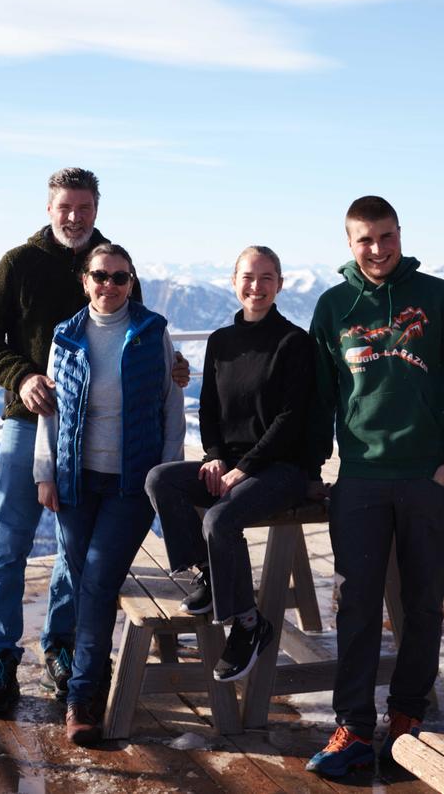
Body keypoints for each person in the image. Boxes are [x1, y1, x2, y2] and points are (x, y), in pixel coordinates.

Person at [0, 168, 188, 715]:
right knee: (11, 542)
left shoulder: (111, 260)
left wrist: (168, 365)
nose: (74, 216)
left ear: (96, 208)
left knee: (75, 549)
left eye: (84, 207)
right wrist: (22, 376)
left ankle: (62, 648)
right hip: (31, 419)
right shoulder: (20, 263)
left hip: (98, 437)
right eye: (65, 207)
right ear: (49, 208)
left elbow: (137, 333)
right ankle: (1, 657)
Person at [305, 196, 444, 779]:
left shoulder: (437, 297)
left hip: (425, 478)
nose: (378, 250)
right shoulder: (334, 306)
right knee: (355, 604)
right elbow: (317, 400)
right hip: (359, 479)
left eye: (386, 237)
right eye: (365, 240)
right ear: (348, 242)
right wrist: (316, 468)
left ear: (399, 235)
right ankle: (354, 726)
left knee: (421, 605)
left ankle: (407, 717)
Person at [33, 242, 185, 746]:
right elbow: (50, 412)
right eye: (101, 275)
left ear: (131, 281)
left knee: (97, 581)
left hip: (131, 483)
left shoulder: (151, 331)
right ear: (86, 280)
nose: (110, 286)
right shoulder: (66, 336)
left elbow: (170, 404)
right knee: (83, 583)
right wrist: (45, 473)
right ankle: (93, 676)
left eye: (121, 278)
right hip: (76, 480)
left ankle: (80, 698)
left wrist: (164, 474)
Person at [145, 245, 313, 683]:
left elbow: (291, 420)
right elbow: (209, 410)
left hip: (282, 468)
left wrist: (246, 468)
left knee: (220, 520)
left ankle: (248, 623)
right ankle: (206, 571)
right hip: (233, 462)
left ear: (279, 284)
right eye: (248, 277)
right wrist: (216, 457)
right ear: (234, 281)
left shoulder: (294, 342)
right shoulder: (221, 342)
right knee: (162, 479)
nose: (256, 287)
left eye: (266, 278)